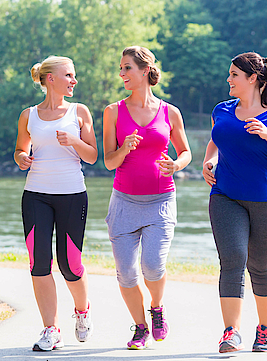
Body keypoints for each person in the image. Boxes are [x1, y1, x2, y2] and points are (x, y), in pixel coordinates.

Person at [201, 52, 267, 353]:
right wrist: (210, 161)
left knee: (260, 265)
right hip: (225, 196)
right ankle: (230, 332)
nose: (228, 80)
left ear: (253, 78)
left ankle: (265, 328)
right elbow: (217, 140)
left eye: (234, 75)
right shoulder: (222, 110)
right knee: (232, 261)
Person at [102, 46, 191, 350]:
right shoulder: (113, 111)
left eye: (127, 68)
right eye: (121, 68)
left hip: (161, 201)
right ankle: (140, 327)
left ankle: (157, 307)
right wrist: (124, 148)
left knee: (153, 266)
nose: (122, 73)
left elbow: (186, 151)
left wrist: (177, 164)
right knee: (126, 272)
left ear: (144, 71)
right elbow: (109, 162)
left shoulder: (170, 112)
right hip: (124, 202)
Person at [14, 55, 98, 351]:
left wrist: (74, 142)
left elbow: (92, 156)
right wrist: (22, 158)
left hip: (72, 194)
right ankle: (51, 329)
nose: (74, 81)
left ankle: (82, 311)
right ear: (51, 79)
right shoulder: (29, 115)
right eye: (69, 75)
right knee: (39, 264)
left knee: (70, 265)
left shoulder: (79, 112)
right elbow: (20, 150)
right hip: (35, 194)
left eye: (73, 76)